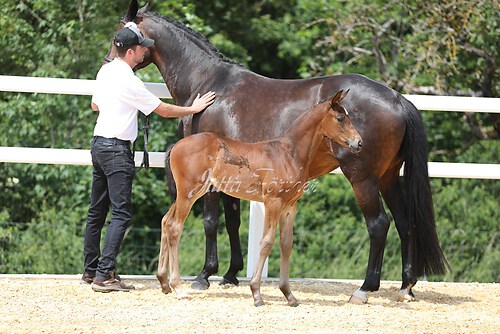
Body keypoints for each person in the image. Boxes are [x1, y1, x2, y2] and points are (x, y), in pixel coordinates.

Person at [82, 22, 215, 292]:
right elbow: (162, 109)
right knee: (121, 213)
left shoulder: (105, 71)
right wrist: (193, 107)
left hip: (98, 144)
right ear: (131, 52)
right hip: (117, 150)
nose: (145, 52)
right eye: (142, 48)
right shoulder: (130, 80)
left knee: (96, 211)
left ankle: (90, 270)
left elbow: (95, 104)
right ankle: (104, 275)